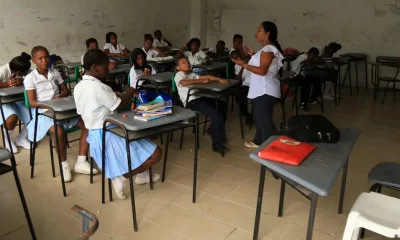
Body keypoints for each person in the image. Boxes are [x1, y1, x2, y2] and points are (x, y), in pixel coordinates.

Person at [74, 49, 161, 199]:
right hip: (108, 133)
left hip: (94, 134)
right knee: (156, 153)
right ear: (95, 67)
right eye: (106, 66)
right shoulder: (100, 87)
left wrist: (112, 96)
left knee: (145, 139)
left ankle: (141, 175)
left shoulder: (79, 87)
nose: (108, 69)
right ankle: (123, 176)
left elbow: (93, 105)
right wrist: (134, 85)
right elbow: (120, 105)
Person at [24, 46, 97, 182]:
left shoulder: (54, 72)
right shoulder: (30, 78)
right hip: (43, 112)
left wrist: (61, 96)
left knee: (89, 124)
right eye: (40, 58)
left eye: (46, 57)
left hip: (60, 109)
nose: (44, 60)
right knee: (59, 132)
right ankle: (63, 165)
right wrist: (50, 102)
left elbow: (65, 91)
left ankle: (81, 161)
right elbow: (33, 102)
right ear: (34, 60)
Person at [232, 21, 284, 148]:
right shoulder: (267, 49)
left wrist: (243, 64)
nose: (257, 33)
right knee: (261, 118)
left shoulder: (268, 49)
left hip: (265, 90)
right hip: (263, 89)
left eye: (260, 30)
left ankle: (271, 149)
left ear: (267, 34)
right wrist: (253, 56)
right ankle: (258, 140)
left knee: (265, 121)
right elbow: (263, 64)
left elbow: (262, 71)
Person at [174, 57, 228, 153]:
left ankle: (213, 129)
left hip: (200, 98)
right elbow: (184, 82)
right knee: (216, 115)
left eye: (188, 62)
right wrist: (201, 81)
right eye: (183, 63)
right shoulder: (179, 75)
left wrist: (219, 79)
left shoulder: (191, 74)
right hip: (191, 102)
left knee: (222, 105)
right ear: (178, 67)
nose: (187, 64)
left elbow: (208, 77)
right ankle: (217, 144)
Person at [0, 53, 32, 153]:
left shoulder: (27, 71)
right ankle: (7, 140)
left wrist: (22, 82)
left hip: (18, 99)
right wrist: (7, 84)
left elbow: (33, 80)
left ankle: (21, 138)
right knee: (12, 117)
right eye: (23, 74)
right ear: (18, 72)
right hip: (3, 101)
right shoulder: (3, 71)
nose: (25, 74)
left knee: (35, 114)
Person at [231, 51, 252, 121]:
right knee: (239, 95)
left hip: (255, 84)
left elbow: (250, 56)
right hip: (245, 85)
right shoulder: (236, 67)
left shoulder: (249, 61)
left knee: (244, 96)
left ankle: (246, 114)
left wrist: (244, 63)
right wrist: (243, 67)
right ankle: (246, 113)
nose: (238, 58)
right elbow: (238, 80)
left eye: (238, 56)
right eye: (235, 58)